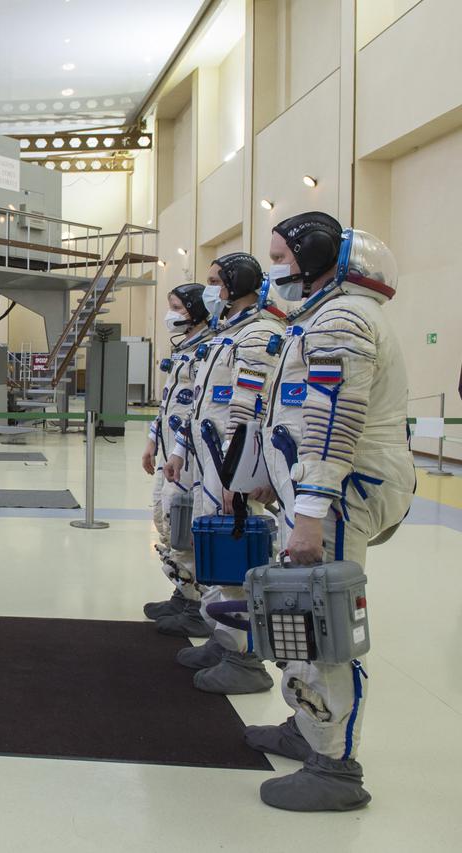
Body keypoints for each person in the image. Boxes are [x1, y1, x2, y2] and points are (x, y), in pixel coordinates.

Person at [242, 215, 414, 812]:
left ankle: (336, 768)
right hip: (315, 492)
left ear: (315, 258)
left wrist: (312, 509)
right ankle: (307, 726)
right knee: (297, 618)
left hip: (339, 493)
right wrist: (274, 480)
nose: (275, 270)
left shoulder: (344, 318)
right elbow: (289, 411)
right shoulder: (321, 316)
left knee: (321, 627)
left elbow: (336, 417)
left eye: (282, 257)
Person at [159, 253, 285, 698]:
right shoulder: (225, 334)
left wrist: (239, 475)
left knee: (234, 559)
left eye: (216, 280)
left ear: (236, 283)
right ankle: (224, 637)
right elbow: (197, 406)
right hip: (208, 460)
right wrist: (179, 451)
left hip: (229, 465)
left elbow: (248, 410)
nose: (210, 288)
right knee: (210, 548)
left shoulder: (257, 334)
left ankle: (245, 657)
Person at [142, 283, 211, 621]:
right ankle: (182, 592)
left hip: (190, 458)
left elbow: (198, 408)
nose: (172, 314)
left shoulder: (208, 350)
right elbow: (167, 403)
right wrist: (152, 441)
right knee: (164, 518)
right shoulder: (183, 349)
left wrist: (179, 448)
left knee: (185, 526)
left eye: (178, 307)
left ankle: (196, 603)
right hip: (169, 454)